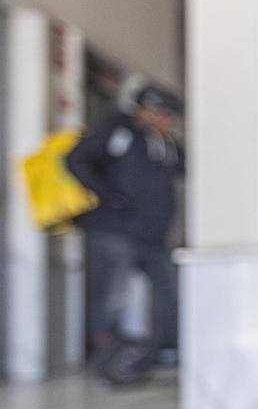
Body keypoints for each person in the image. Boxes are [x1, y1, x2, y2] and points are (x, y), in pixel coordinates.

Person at [66, 85, 184, 383]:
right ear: (146, 110)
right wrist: (107, 196)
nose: (166, 121)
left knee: (168, 292)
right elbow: (75, 160)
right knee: (110, 299)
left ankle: (164, 351)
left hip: (153, 237)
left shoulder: (166, 145)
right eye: (162, 114)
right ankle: (108, 363)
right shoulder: (116, 134)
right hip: (114, 231)